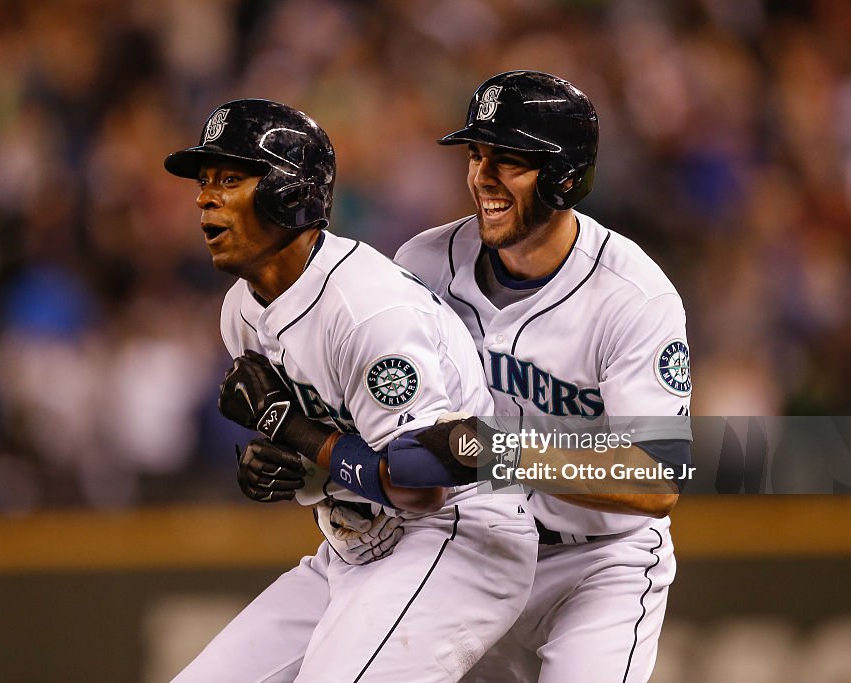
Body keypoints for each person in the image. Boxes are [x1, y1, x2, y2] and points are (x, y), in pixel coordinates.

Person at [164, 98, 538, 683]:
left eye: (229, 179)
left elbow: (421, 487)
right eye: (204, 181)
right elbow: (327, 453)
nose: (204, 198)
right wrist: (287, 466)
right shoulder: (240, 309)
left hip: (456, 538)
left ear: (288, 193)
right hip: (353, 548)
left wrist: (290, 428)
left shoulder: (367, 310)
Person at [387, 71, 693, 682]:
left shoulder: (633, 295)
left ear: (565, 176)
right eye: (476, 155)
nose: (482, 176)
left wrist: (496, 453)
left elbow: (657, 474)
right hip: (469, 549)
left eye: (509, 160)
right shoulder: (421, 264)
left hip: (599, 563)